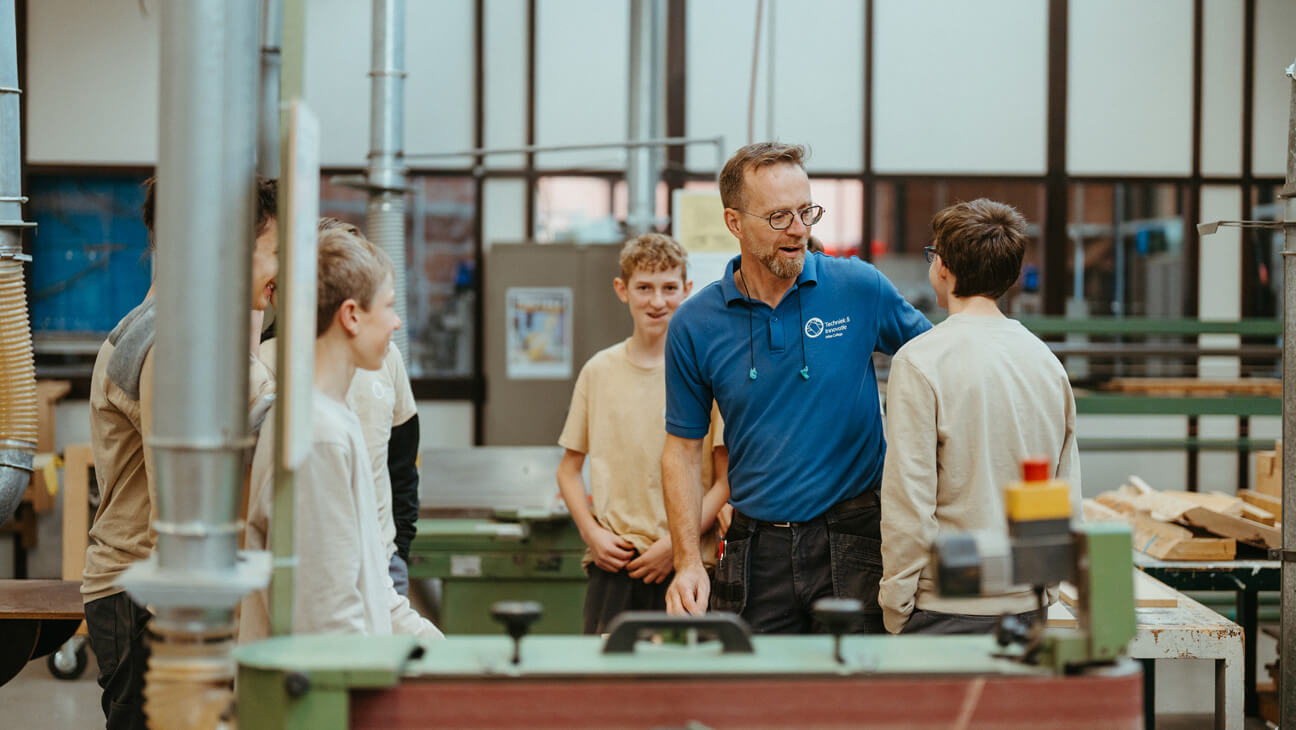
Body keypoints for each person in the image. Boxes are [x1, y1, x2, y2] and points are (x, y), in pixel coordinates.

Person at [661, 142, 930, 634]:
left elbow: (942, 366)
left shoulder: (859, 288)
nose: (801, 230)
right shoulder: (695, 324)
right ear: (734, 223)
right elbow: (681, 450)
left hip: (855, 540)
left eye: (806, 212)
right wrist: (686, 562)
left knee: (854, 698)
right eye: (779, 217)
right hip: (755, 550)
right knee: (755, 700)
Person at [81, 176, 278, 730]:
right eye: (277, 253)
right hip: (143, 597)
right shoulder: (166, 341)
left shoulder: (192, 330)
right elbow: (182, 505)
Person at [878, 199, 1080, 635]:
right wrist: (1044, 593)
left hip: (945, 605)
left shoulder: (920, 361)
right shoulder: (1046, 363)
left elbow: (909, 504)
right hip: (1025, 604)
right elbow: (1063, 493)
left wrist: (896, 604)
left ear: (943, 267)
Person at [238, 224, 442, 641]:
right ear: (351, 315)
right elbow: (328, 618)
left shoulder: (334, 416)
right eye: (388, 306)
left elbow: (371, 587)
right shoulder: (317, 435)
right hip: (318, 697)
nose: (397, 322)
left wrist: (440, 651)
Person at [556, 233, 728, 635]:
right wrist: (592, 533)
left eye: (669, 288)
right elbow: (568, 470)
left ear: (687, 290)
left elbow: (727, 481)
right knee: (608, 687)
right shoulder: (598, 371)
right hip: (615, 563)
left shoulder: (705, 374)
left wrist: (677, 546)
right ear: (622, 290)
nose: (657, 301)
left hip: (687, 568)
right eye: (644, 288)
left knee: (682, 690)